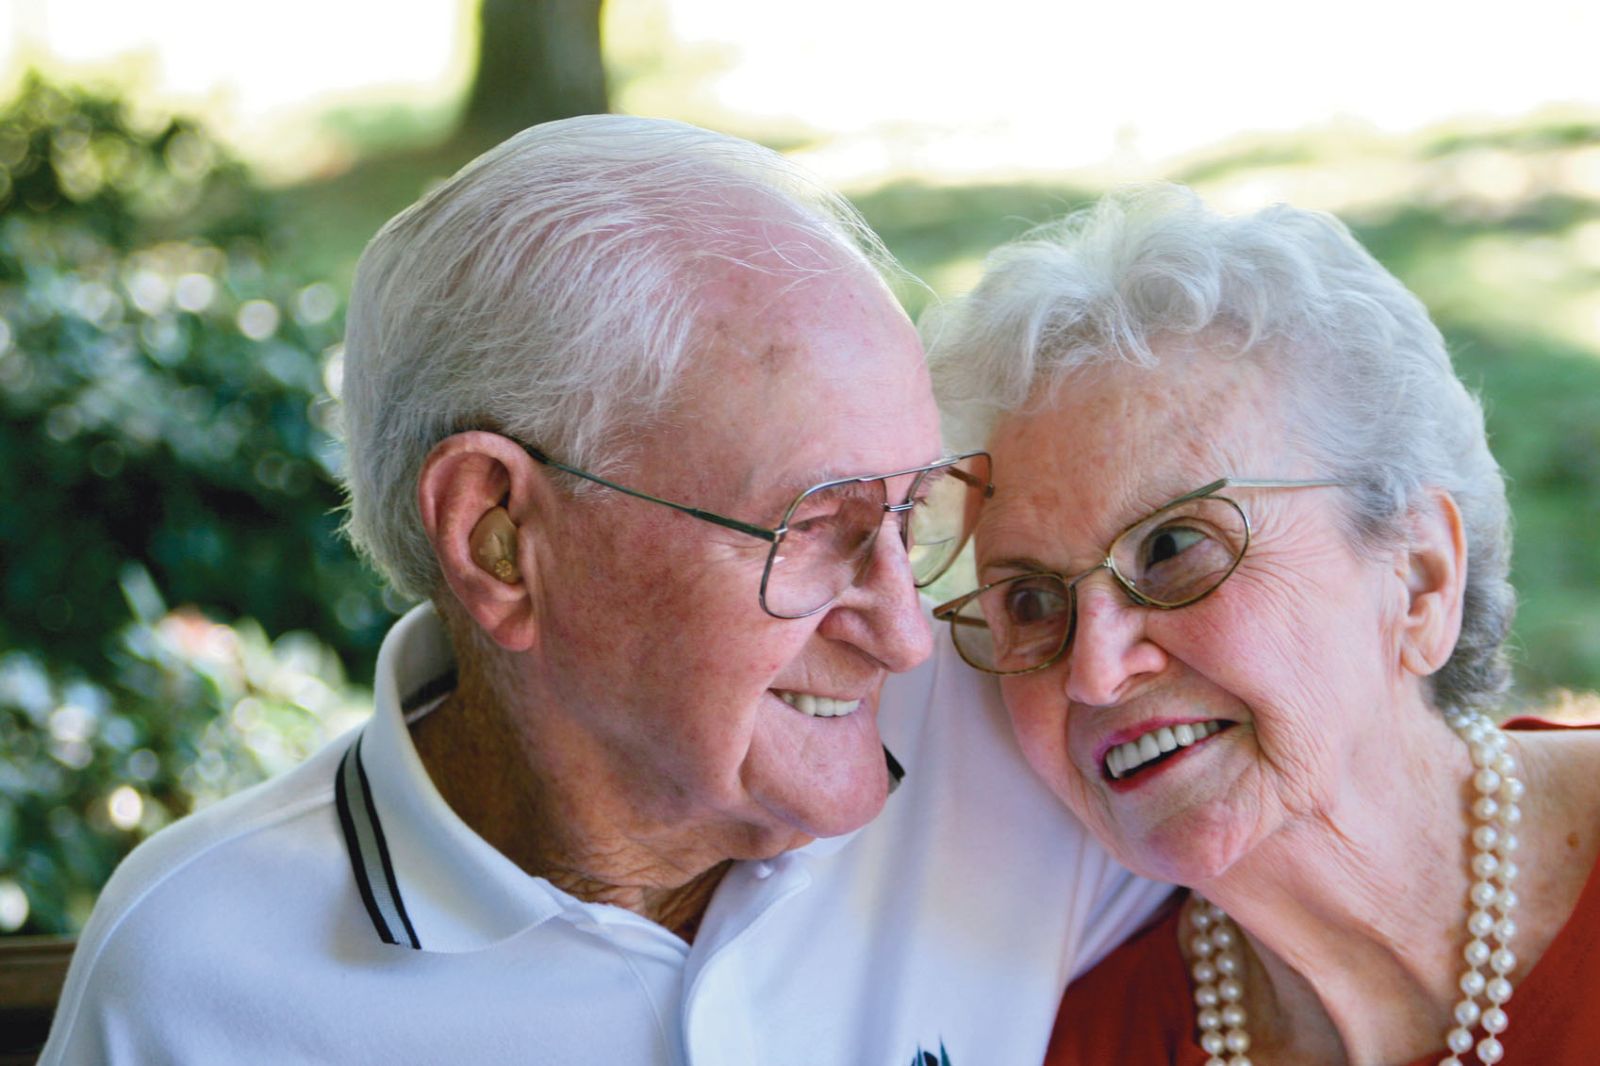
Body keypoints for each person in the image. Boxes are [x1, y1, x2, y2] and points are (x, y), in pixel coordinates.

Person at [41, 117, 1165, 1065]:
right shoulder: (195, 985)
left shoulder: (1022, 750)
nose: (908, 633)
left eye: (914, 514)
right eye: (816, 528)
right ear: (498, 539)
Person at [923, 185, 1600, 1065]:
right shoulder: (1080, 1041)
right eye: (1030, 601)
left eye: (1172, 548)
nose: (1093, 670)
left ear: (1420, 579)